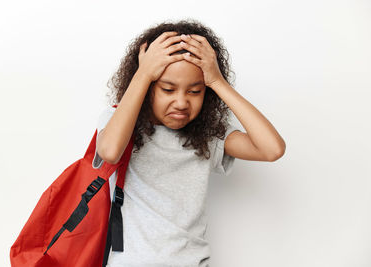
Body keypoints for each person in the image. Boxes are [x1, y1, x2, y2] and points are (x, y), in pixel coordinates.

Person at [92, 19, 286, 267]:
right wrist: (143, 73)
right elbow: (109, 151)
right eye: (168, 89)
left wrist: (217, 81)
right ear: (149, 86)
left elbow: (272, 149)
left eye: (195, 91)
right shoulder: (121, 123)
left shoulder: (207, 138)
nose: (182, 102)